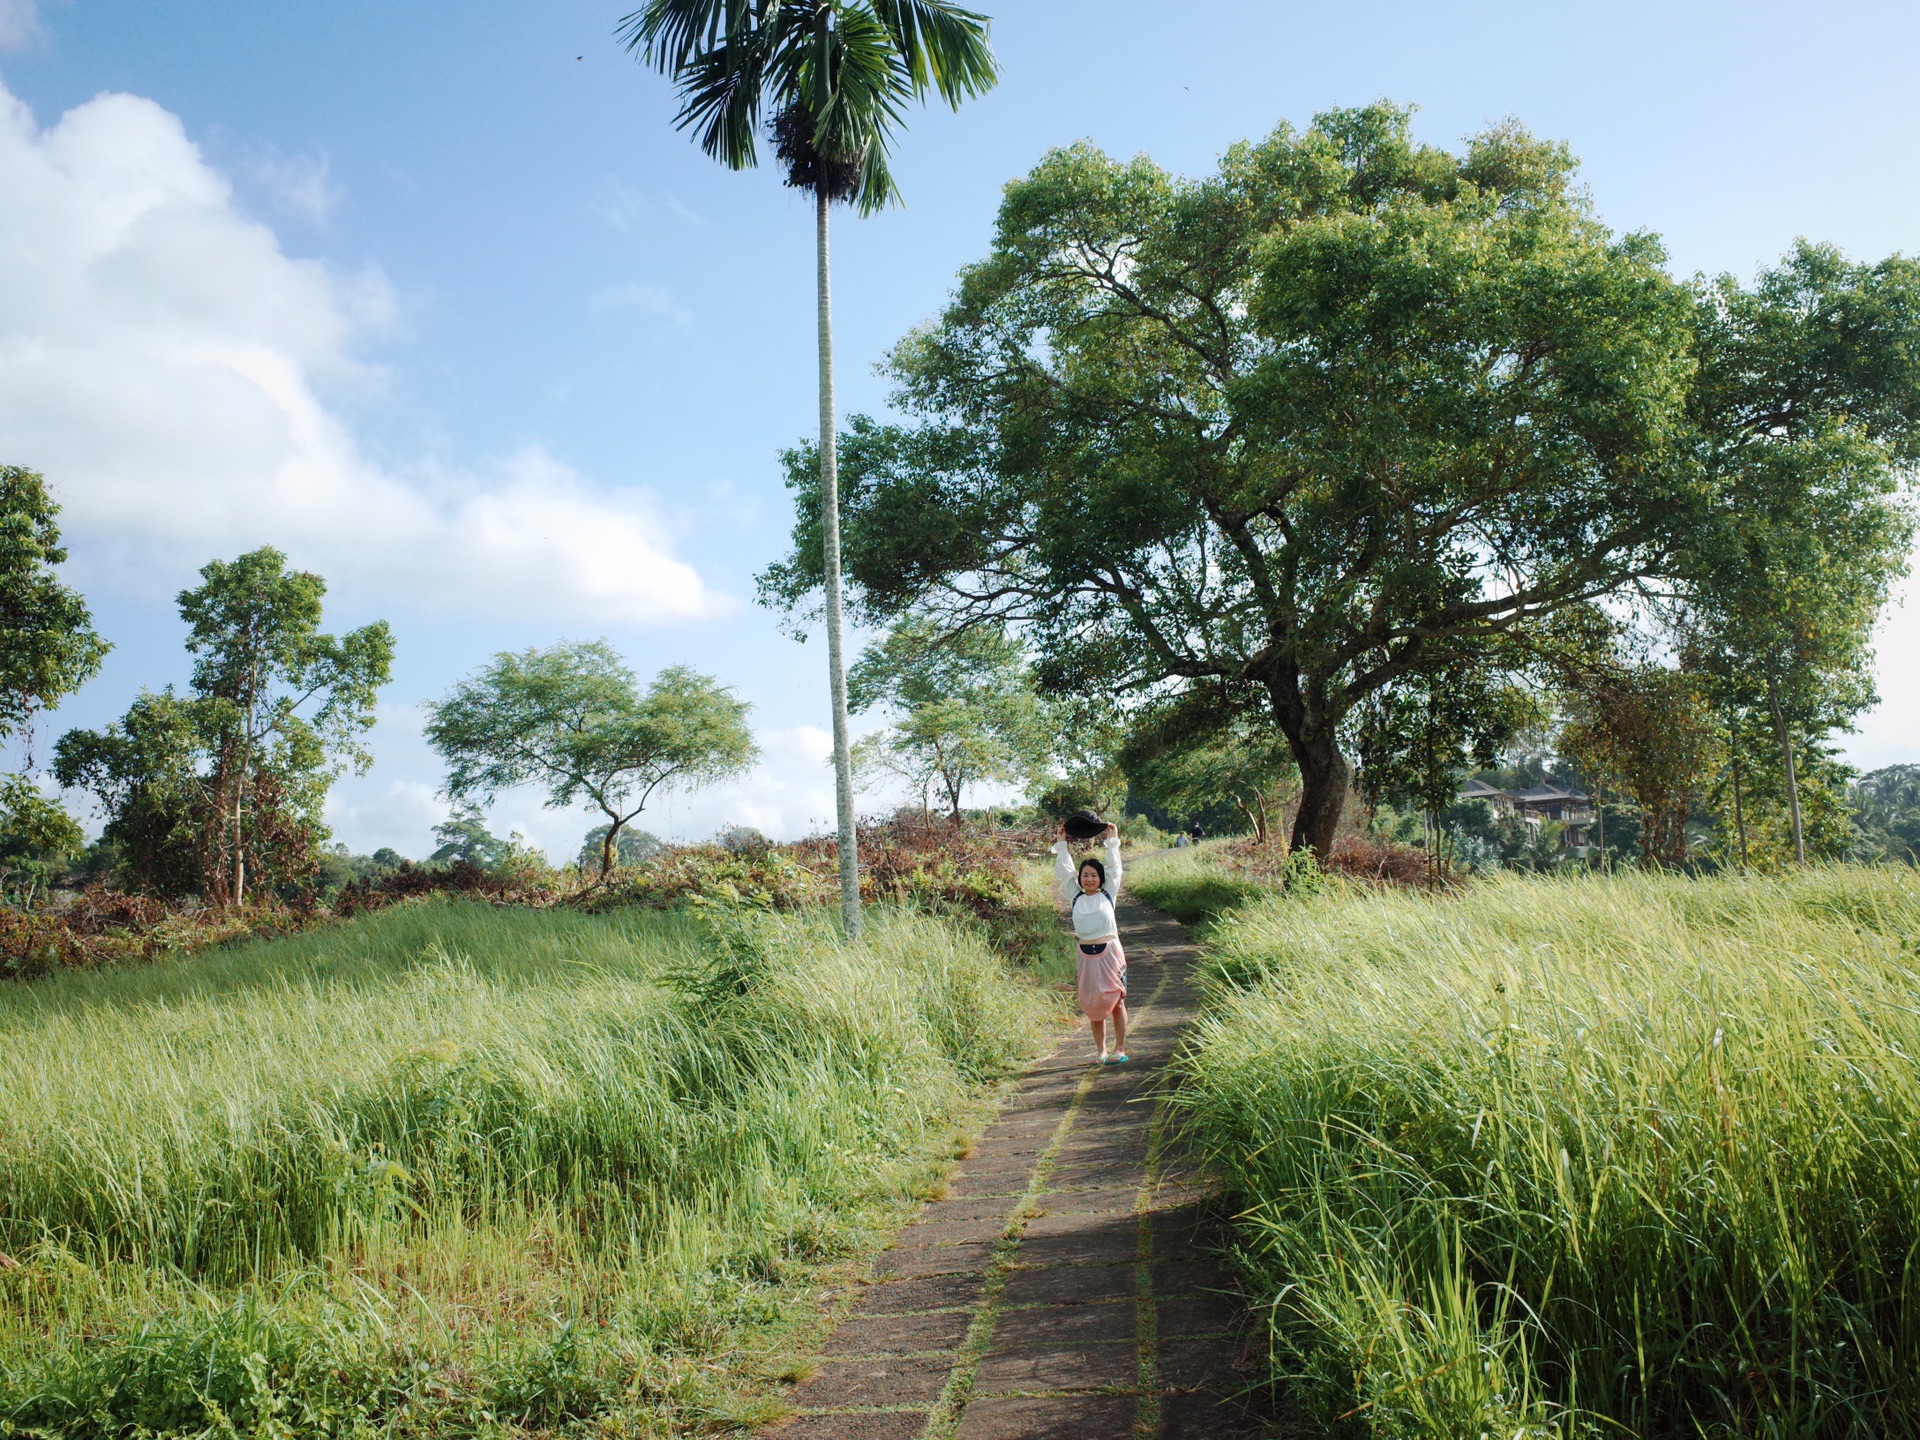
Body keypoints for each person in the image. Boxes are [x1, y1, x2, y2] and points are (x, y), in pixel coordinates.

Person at [1054, 821, 1127, 1064]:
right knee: (1093, 1006)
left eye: (1093, 875)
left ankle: (1119, 1048)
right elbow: (1065, 870)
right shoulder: (1075, 896)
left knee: (1116, 1002)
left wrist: (1112, 840)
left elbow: (1115, 868)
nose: (1089, 879)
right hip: (1086, 954)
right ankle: (1101, 1051)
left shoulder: (1108, 893)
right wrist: (1062, 844)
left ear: (1100, 878)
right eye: (1085, 875)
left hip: (1110, 954)